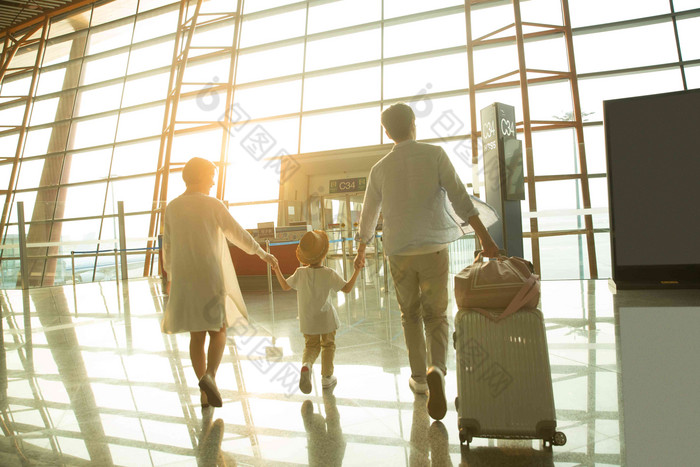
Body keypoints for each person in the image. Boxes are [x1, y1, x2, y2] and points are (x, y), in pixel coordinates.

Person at [354, 103, 500, 421]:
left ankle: (420, 379)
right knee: (436, 316)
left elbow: (368, 214)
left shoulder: (379, 168)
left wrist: (362, 247)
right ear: (413, 125)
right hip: (433, 249)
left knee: (410, 316)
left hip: (399, 253)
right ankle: (438, 369)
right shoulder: (434, 154)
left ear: (387, 131)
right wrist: (485, 239)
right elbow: (461, 198)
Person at [161, 157, 278, 409]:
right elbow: (237, 233)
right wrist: (261, 253)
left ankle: (204, 393)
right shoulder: (212, 204)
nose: (213, 181)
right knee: (219, 329)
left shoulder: (172, 207)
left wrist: (170, 276)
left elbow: (167, 246)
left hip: (184, 277)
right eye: (211, 176)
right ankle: (210, 376)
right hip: (208, 274)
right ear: (202, 176)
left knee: (196, 334)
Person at [272, 230, 361, 393]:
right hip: (326, 319)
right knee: (328, 345)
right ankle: (327, 378)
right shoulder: (328, 273)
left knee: (311, 346)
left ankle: (307, 365)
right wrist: (357, 270)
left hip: (307, 320)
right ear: (323, 253)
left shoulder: (300, 273)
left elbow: (285, 286)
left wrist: (277, 268)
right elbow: (347, 288)